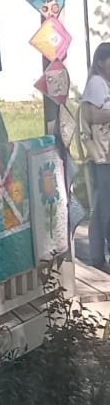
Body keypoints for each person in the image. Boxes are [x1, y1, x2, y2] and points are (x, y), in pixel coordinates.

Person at [81, 42, 110, 274]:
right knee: (104, 209)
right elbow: (91, 115)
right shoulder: (97, 83)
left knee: (102, 206)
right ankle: (98, 255)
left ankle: (98, 255)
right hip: (102, 155)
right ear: (100, 62)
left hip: (105, 154)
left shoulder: (104, 84)